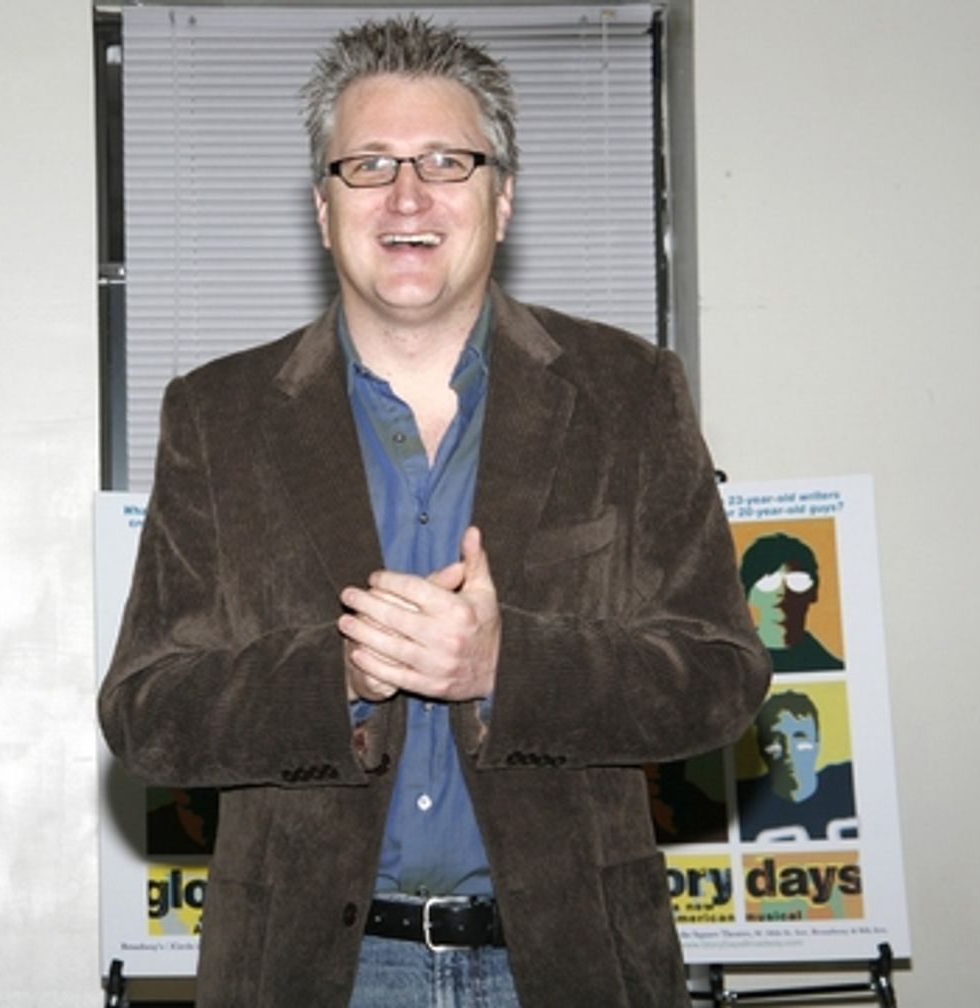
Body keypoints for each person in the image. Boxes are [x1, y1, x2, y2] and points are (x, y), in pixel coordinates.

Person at [98, 15, 771, 1008]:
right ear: (322, 207)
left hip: (567, 967)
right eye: (367, 164)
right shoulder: (217, 414)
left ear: (502, 200)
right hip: (312, 975)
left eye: (446, 162)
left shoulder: (630, 391)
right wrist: (336, 676)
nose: (406, 196)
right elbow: (146, 710)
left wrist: (505, 665)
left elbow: (719, 676)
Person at [737, 690, 857, 843]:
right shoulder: (741, 802)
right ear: (760, 748)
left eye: (799, 736)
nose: (789, 749)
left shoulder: (850, 781)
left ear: (817, 741)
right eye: (776, 738)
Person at [739, 531, 844, 672]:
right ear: (749, 594)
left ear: (813, 592)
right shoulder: (732, 669)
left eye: (797, 581)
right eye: (768, 582)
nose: (782, 591)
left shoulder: (832, 668)